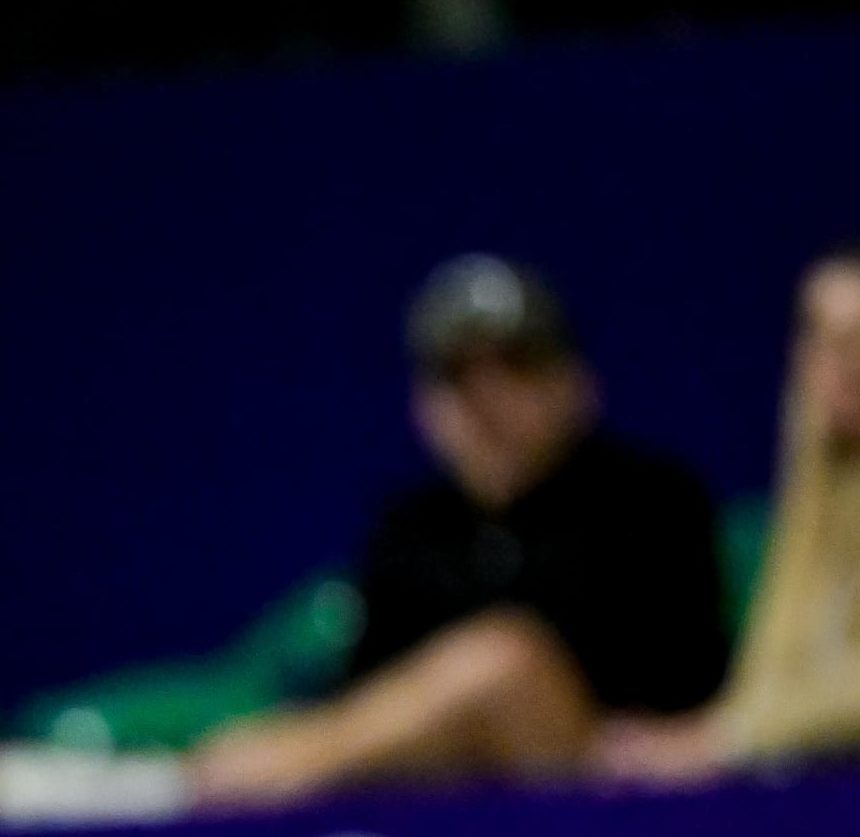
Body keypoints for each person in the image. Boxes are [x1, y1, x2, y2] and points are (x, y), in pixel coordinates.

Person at [191, 254, 728, 808]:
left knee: (503, 658)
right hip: (449, 810)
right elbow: (378, 697)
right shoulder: (408, 531)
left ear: (578, 384)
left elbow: (676, 690)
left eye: (517, 365)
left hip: (618, 799)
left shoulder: (652, 502)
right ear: (422, 409)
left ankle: (288, 767)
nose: (487, 400)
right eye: (456, 376)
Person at [599, 244, 860, 786]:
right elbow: (772, 677)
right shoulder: (817, 486)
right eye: (825, 337)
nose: (844, 360)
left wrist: (726, 738)